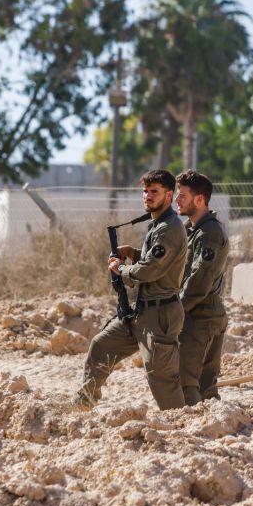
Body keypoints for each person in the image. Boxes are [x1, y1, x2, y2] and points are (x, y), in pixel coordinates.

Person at [76, 169, 188, 410]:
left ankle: (181, 427)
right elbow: (155, 260)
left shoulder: (169, 228)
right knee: (101, 346)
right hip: (141, 312)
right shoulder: (159, 225)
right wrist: (134, 253)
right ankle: (84, 404)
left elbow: (149, 270)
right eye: (145, 192)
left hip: (160, 315)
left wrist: (121, 270)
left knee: (161, 379)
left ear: (169, 195)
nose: (147, 197)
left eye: (154, 192)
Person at [174, 170, 229, 405]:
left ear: (199, 200)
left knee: (186, 384)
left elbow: (199, 280)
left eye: (182, 196)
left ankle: (194, 437)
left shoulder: (209, 233)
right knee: (206, 388)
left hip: (202, 316)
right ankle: (214, 434)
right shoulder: (192, 230)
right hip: (201, 314)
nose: (177, 200)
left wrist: (176, 310)